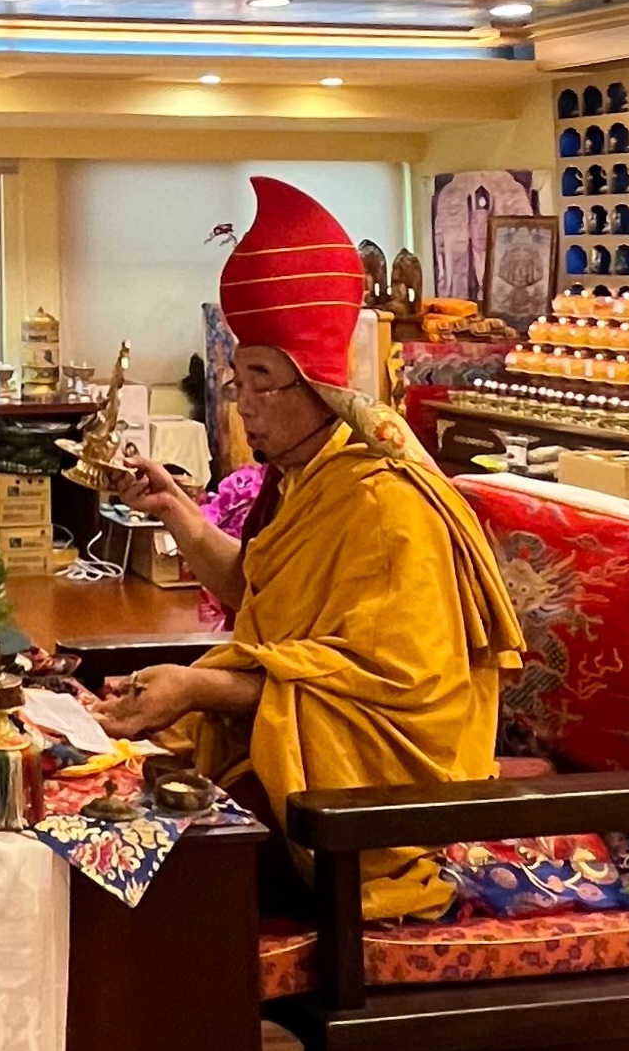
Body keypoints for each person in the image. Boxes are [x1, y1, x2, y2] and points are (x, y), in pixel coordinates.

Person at [97, 178, 525, 923]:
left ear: (320, 389)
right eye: (238, 380)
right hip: (294, 747)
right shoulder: (306, 477)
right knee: (123, 813)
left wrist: (200, 689)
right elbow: (257, 592)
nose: (242, 405)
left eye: (262, 382)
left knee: (167, 865)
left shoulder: (387, 506)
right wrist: (177, 511)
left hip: (372, 793)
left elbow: (393, 699)